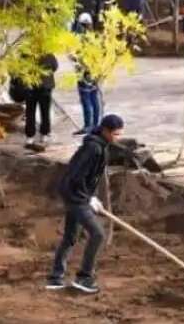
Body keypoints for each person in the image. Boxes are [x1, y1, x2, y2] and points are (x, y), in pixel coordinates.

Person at [47, 114, 125, 295]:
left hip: (77, 194)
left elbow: (92, 178)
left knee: (70, 237)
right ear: (105, 131)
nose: (117, 138)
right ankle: (84, 277)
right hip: (74, 196)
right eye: (116, 134)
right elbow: (75, 176)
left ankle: (55, 278)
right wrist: (87, 198)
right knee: (98, 234)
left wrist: (93, 196)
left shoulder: (101, 146)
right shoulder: (93, 149)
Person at [72, 14, 101, 135]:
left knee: (86, 99)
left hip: (84, 71)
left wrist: (74, 58)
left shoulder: (82, 39)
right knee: (94, 98)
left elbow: (79, 57)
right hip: (95, 70)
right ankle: (95, 124)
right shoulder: (95, 37)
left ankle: (88, 125)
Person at [22, 53, 59, 148]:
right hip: (44, 86)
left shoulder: (27, 52)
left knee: (30, 112)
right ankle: (44, 134)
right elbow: (55, 67)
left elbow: (20, 68)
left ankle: (30, 136)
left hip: (33, 86)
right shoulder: (48, 53)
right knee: (44, 111)